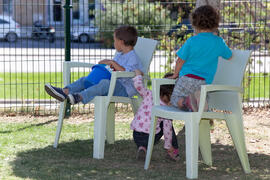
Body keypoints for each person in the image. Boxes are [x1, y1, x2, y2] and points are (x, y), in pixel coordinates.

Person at [44, 25, 143, 105]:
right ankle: (64, 92)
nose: (114, 43)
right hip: (111, 85)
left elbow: (128, 74)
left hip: (124, 90)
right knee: (85, 80)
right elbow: (114, 69)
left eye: (114, 40)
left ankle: (79, 97)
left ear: (121, 42)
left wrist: (113, 63)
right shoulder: (120, 55)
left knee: (104, 83)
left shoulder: (133, 57)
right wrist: (106, 65)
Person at [168, 5, 232, 112]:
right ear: (215, 22)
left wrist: (175, 74)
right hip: (203, 83)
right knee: (199, 104)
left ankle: (186, 102)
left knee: (175, 100)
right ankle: (198, 106)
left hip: (186, 79)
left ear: (195, 23)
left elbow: (180, 60)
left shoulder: (192, 41)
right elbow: (229, 56)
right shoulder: (218, 42)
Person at [131, 69, 180, 161]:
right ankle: (172, 151)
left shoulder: (149, 93)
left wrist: (138, 74)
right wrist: (168, 146)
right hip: (150, 136)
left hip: (136, 133)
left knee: (145, 139)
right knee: (167, 124)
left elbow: (138, 86)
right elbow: (167, 130)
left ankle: (142, 148)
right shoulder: (166, 109)